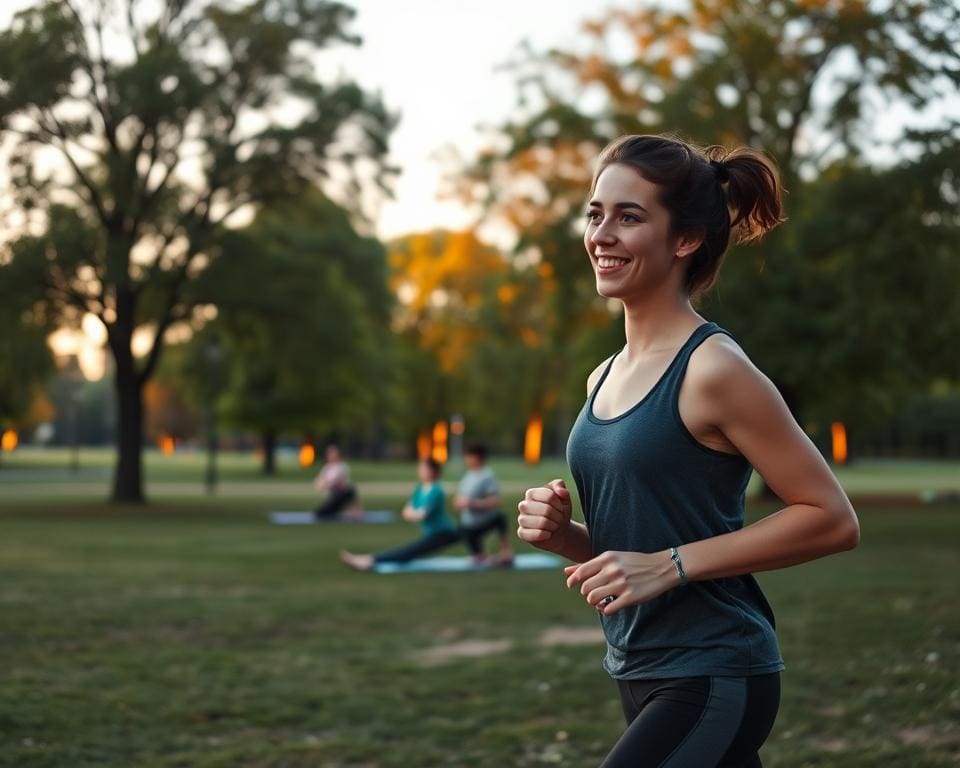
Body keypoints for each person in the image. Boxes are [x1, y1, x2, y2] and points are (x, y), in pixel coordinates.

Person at [516, 134, 860, 768]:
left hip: (714, 671)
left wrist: (671, 564)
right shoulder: (603, 376)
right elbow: (639, 552)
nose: (602, 234)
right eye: (596, 213)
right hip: (637, 665)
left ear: (685, 239)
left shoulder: (714, 369)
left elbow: (832, 518)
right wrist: (568, 538)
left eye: (629, 216)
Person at [340, 457, 460, 570]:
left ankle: (369, 561)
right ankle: (368, 559)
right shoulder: (420, 488)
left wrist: (413, 514)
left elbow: (421, 515)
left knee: (408, 551)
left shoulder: (436, 490)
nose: (420, 471)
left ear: (433, 471)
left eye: (423, 469)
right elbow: (406, 511)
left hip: (443, 532)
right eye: (420, 468)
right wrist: (414, 514)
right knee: (410, 551)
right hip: (432, 533)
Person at [454, 443, 513, 565]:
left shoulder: (486, 476)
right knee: (475, 553)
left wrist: (472, 503)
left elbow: (495, 501)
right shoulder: (468, 475)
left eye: (469, 456)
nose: (466, 459)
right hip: (468, 524)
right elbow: (459, 497)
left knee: (500, 518)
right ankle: (483, 556)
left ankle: (505, 553)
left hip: (483, 520)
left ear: (477, 457)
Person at [312, 444, 359, 520]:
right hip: (333, 496)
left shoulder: (341, 467)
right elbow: (319, 484)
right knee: (320, 513)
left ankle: (356, 511)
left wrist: (325, 483)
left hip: (340, 495)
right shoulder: (327, 468)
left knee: (351, 489)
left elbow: (336, 481)